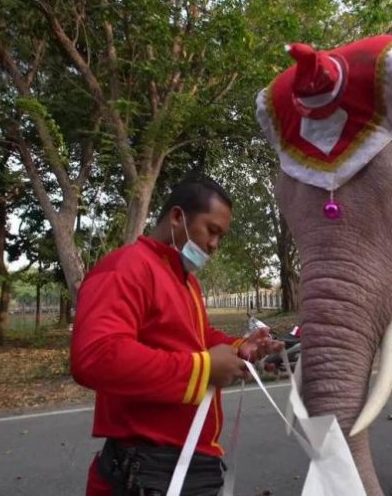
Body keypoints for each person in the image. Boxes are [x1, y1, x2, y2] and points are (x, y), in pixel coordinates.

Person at [71, 175, 284, 496]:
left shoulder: (185, 281)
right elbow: (95, 356)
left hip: (192, 463)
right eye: (211, 231)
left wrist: (242, 348)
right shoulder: (126, 267)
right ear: (176, 217)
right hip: (146, 468)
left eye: (220, 236)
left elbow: (195, 339)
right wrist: (201, 369)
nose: (214, 245)